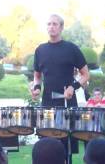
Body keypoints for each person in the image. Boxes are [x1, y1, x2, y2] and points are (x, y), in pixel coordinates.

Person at [31, 14, 90, 164]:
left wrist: (73, 87)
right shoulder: (40, 50)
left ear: (61, 27)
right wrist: (36, 88)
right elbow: (37, 76)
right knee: (47, 146)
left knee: (66, 145)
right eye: (49, 24)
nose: (51, 26)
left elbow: (85, 75)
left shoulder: (71, 48)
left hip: (67, 102)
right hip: (47, 103)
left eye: (55, 24)